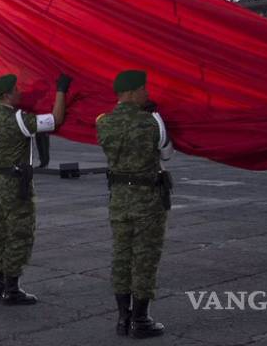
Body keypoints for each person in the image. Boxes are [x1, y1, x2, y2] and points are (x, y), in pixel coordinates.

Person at [96, 70, 172, 338]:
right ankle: (141, 319)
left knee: (121, 255)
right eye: (143, 89)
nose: (147, 93)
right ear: (131, 92)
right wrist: (157, 117)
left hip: (118, 197)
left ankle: (122, 318)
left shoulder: (103, 122)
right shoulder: (151, 121)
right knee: (145, 257)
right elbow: (167, 153)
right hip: (147, 199)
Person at [0, 72, 69, 305]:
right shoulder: (18, 119)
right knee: (19, 233)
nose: (20, 92)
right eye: (16, 90)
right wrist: (61, 90)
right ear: (7, 95)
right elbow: (56, 119)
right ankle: (11, 289)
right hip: (15, 183)